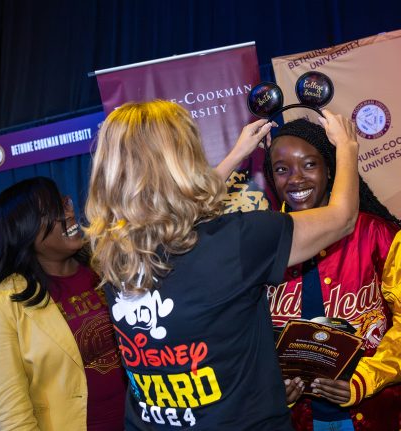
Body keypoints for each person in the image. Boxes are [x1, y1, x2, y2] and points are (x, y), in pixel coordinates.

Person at [83, 100, 360, 430]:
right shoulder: (237, 242)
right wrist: (346, 146)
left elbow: (175, 213)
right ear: (184, 158)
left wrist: (234, 156)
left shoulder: (114, 252)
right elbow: (341, 218)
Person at [263, 118, 401, 431]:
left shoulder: (376, 233)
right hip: (295, 420)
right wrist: (271, 386)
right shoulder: (258, 243)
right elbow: (241, 334)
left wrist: (366, 378)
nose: (296, 179)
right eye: (282, 169)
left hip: (379, 412)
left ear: (330, 168)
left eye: (309, 164)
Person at [0, 177, 126, 431]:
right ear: (25, 230)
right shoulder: (1, 306)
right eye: (54, 210)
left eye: (64, 203)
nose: (68, 212)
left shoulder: (104, 268)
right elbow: (11, 421)